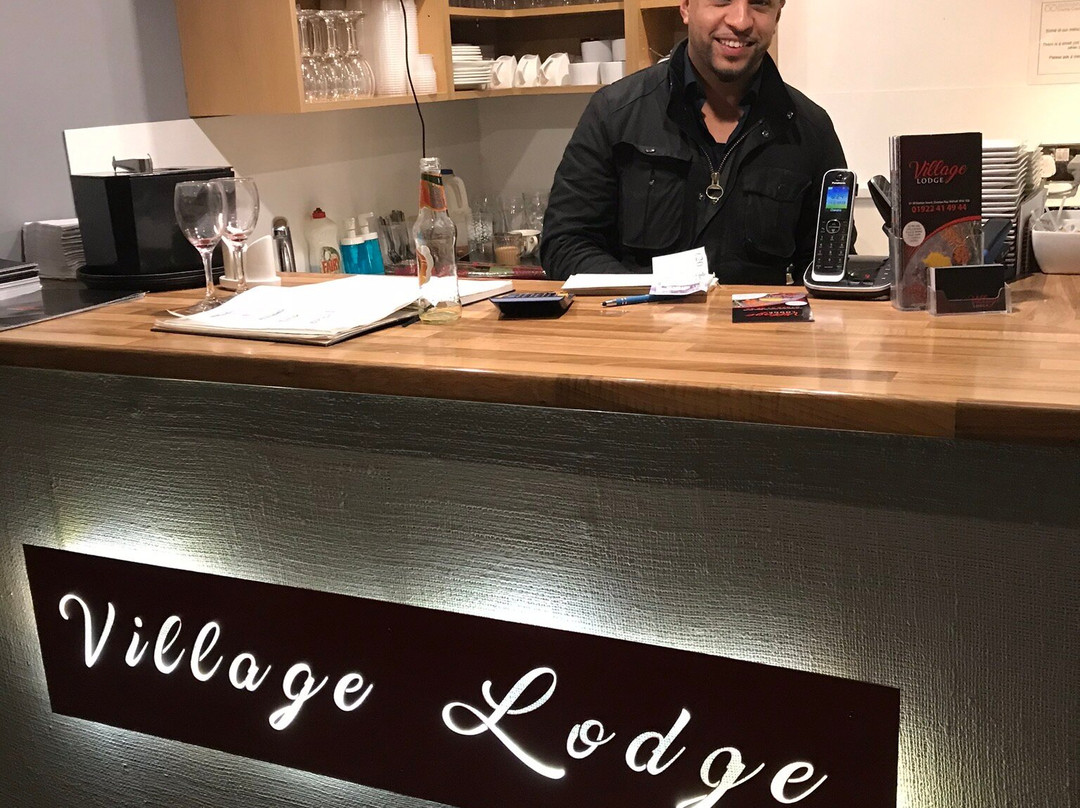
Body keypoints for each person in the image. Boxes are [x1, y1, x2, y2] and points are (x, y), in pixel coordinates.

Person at [540, 0, 850, 284]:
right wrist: (652, 297)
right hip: (637, 324)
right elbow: (565, 243)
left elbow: (828, 265)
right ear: (686, 6)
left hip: (760, 328)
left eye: (760, 3)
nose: (741, 20)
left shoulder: (811, 129)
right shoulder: (614, 113)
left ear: (778, 13)